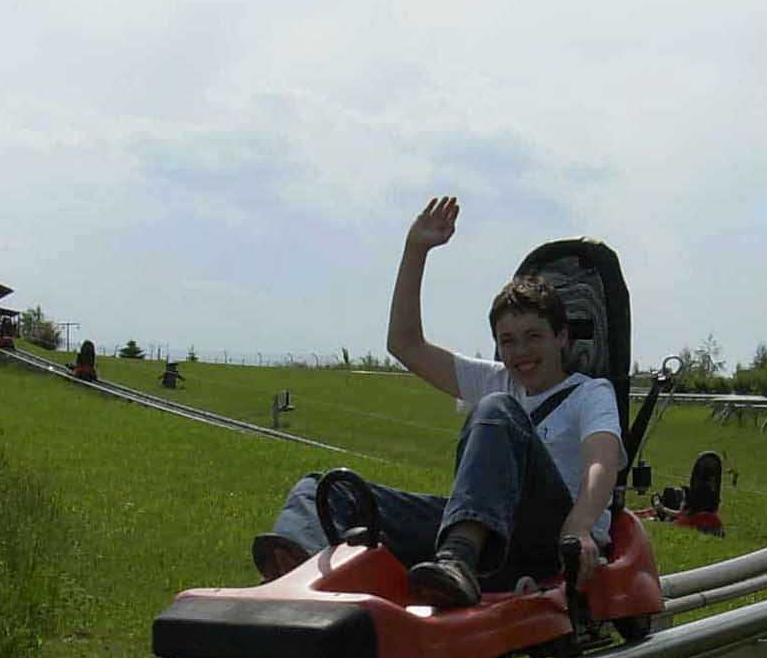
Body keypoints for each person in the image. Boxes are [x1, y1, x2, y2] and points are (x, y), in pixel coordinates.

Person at [254, 196, 625, 608]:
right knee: (323, 489)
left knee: (497, 409)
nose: (520, 352)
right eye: (508, 341)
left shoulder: (590, 392)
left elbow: (601, 462)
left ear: (561, 337)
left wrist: (580, 525)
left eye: (534, 336)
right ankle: (296, 584)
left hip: (551, 542)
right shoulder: (497, 379)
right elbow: (405, 344)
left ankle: (458, 560)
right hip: (488, 532)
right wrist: (416, 250)